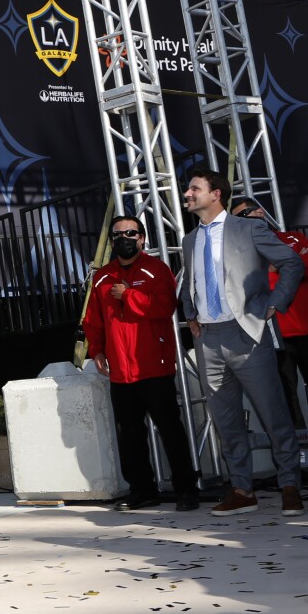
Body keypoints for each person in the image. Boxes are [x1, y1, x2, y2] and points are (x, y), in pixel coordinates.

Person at [178, 170, 304, 517]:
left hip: (246, 333)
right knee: (226, 419)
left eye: (194, 188)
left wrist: (274, 303)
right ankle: (242, 489)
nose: (187, 194)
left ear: (216, 193)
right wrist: (190, 313)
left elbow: (291, 261)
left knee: (272, 412)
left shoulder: (248, 228)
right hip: (208, 338)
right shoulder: (190, 240)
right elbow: (192, 280)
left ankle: (290, 485)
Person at [82, 215, 199, 512]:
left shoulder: (156, 269)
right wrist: (96, 350)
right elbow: (93, 320)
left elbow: (165, 307)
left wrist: (130, 295)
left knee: (170, 429)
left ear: (142, 238)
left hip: (154, 366)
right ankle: (142, 490)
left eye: (131, 233)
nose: (125, 238)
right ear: (112, 242)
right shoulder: (102, 277)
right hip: (120, 371)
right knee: (130, 434)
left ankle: (186, 489)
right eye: (119, 234)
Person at [230, 197, 308, 441]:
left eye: (249, 211)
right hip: (274, 335)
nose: (249, 218)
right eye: (240, 217)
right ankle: (298, 458)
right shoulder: (242, 253)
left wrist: (280, 267)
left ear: (260, 211)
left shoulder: (292, 238)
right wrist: (285, 269)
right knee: (285, 399)